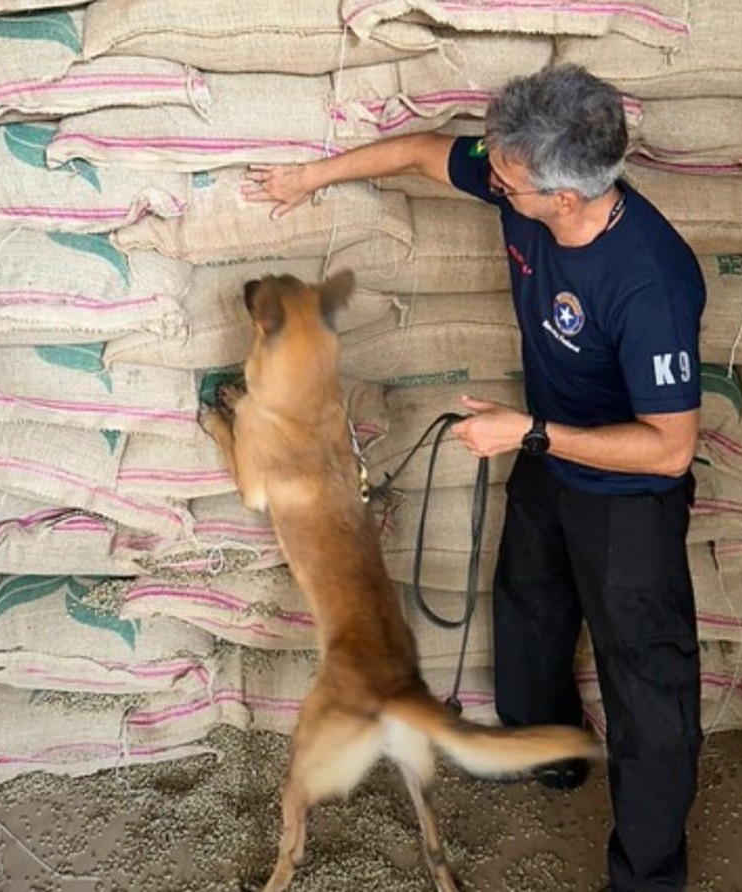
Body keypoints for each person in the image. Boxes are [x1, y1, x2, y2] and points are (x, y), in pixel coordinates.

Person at [243, 63, 705, 892]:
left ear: (564, 198)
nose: (492, 179)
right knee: (529, 612)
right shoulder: (523, 182)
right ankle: (551, 754)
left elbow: (669, 448)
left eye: (508, 178)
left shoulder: (651, 282)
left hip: (628, 502)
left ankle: (647, 876)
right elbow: (424, 152)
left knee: (650, 695)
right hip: (547, 460)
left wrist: (530, 429)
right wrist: (310, 177)